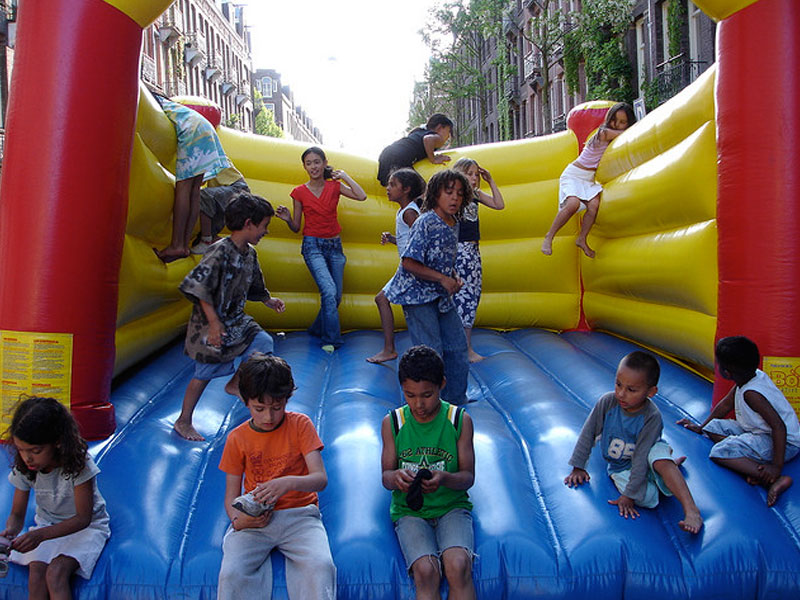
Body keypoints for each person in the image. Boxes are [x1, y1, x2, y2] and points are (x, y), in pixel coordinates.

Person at [217, 353, 335, 600]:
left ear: (287, 399)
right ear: (246, 401)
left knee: (321, 566)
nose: (268, 417)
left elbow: (320, 479)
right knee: (232, 573)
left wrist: (288, 483)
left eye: (277, 407)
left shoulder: (300, 425)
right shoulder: (237, 438)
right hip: (256, 520)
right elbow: (231, 498)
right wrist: (240, 521)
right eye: (259, 409)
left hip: (300, 515)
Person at [174, 192, 285, 441]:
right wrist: (214, 323)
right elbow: (200, 287)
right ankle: (183, 421)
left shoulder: (250, 254)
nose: (265, 232)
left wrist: (268, 300)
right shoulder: (219, 251)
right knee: (203, 373)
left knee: (263, 343)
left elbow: (255, 283)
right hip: (210, 322)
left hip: (236, 319)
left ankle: (236, 382)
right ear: (248, 224)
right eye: (264, 226)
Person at [565, 351, 703, 534]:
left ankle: (691, 509)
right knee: (647, 499)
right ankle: (663, 472)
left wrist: (629, 495)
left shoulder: (652, 417)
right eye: (618, 384)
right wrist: (578, 466)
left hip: (648, 452)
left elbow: (641, 455)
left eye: (631, 390)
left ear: (651, 392)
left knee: (658, 459)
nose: (621, 394)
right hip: (621, 465)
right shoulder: (608, 403)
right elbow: (588, 433)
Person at [380, 346, 476, 600]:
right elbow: (386, 477)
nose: (419, 404)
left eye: (427, 395)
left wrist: (445, 478)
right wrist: (397, 477)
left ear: (442, 385)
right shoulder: (394, 423)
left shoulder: (458, 420)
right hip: (410, 511)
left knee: (458, 564)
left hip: (450, 506)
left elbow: (468, 477)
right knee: (426, 570)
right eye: (410, 395)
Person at [2, 397, 111, 598]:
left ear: (58, 442)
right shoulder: (25, 468)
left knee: (56, 572)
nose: (28, 458)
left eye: (36, 451)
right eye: (21, 450)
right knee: (36, 573)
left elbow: (83, 518)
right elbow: (17, 513)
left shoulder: (78, 465)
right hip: (48, 524)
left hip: (86, 529)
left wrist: (40, 535)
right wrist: (9, 533)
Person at [678, 336, 800, 506]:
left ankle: (773, 480)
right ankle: (750, 461)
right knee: (712, 428)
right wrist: (701, 427)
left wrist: (775, 467)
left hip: (785, 443)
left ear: (726, 372)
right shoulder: (749, 377)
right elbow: (726, 404)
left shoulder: (753, 394)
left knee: (719, 451)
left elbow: (778, 427)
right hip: (760, 433)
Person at [384, 169, 471, 406]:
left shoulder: (453, 222)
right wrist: (442, 279)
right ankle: (429, 404)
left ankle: (455, 398)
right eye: (449, 192)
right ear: (435, 194)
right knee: (431, 351)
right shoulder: (425, 221)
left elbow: (442, 258)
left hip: (440, 294)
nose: (454, 198)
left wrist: (452, 276)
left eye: (460, 194)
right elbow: (409, 262)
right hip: (417, 296)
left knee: (457, 347)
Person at [276, 147, 367, 353]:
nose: (313, 166)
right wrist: (288, 219)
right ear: (304, 166)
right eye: (309, 163)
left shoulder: (335, 186)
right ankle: (331, 340)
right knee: (328, 291)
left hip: (335, 247)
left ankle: (316, 328)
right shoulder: (298, 192)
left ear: (325, 163)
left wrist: (345, 176)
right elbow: (296, 227)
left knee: (335, 297)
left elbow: (361, 197)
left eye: (317, 162)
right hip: (312, 246)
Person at [541, 102, 636, 258]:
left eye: (622, 122)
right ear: (609, 118)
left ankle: (582, 239)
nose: (617, 125)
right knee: (572, 204)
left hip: (588, 179)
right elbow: (624, 134)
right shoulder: (603, 133)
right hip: (574, 174)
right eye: (615, 120)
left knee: (594, 206)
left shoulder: (612, 136)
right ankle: (549, 236)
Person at [152, 93, 232, 263]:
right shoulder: (174, 107)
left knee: (183, 188)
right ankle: (183, 245)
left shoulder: (154, 102)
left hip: (192, 130)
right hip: (204, 128)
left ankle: (176, 244)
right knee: (194, 191)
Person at [367, 168, 426, 364]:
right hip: (408, 267)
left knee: (381, 299)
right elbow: (409, 239)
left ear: (406, 189)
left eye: (393, 184)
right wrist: (394, 239)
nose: (388, 188)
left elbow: (421, 237)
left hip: (410, 268)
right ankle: (396, 348)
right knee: (411, 310)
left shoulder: (409, 212)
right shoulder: (404, 211)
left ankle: (389, 349)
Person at [451, 158, 505, 363]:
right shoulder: (457, 196)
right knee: (465, 298)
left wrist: (490, 181)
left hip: (472, 251)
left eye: (475, 174)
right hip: (462, 251)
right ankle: (466, 349)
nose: (474, 178)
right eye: (469, 173)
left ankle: (464, 347)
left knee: (471, 297)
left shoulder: (475, 195)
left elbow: (499, 205)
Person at [377, 114, 453, 187]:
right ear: (439, 127)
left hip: (386, 154)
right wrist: (433, 159)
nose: (448, 136)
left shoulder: (419, 131)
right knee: (421, 187)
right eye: (448, 131)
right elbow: (428, 139)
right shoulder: (437, 137)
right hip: (398, 158)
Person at [192, 164, 251, 254]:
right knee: (200, 238)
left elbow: (197, 181)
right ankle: (232, 247)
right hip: (228, 192)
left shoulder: (210, 155)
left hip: (236, 188)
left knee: (204, 196)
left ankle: (206, 240)